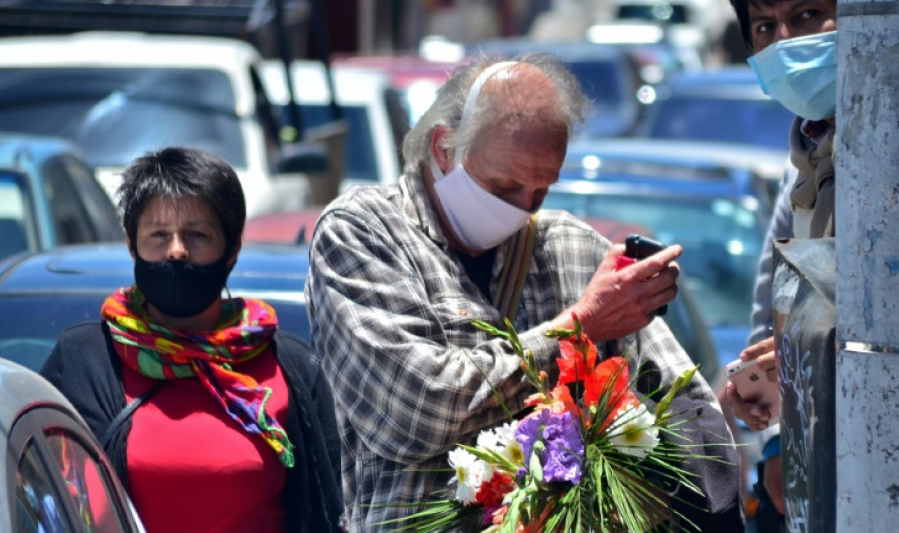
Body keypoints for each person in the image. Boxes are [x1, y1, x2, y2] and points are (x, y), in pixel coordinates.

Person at [305, 54, 745, 532]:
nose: (520, 208)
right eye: (504, 185)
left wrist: (738, 391)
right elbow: (414, 413)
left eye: (540, 191)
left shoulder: (571, 248)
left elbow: (683, 408)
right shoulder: (363, 234)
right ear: (444, 147)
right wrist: (581, 327)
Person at [40, 147, 343, 533]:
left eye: (197, 235)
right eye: (159, 234)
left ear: (232, 249)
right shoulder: (84, 361)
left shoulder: (289, 368)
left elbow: (333, 501)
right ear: (132, 245)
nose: (177, 250)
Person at [723, 0, 837, 529]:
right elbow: (772, 310)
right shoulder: (804, 167)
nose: (787, 40)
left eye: (809, 14)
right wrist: (773, 438)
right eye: (766, 26)